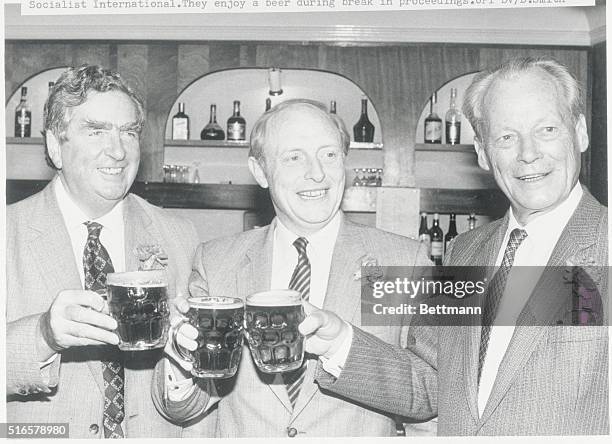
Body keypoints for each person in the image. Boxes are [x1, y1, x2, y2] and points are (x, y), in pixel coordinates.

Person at [299, 57, 609, 435]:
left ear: (579, 133)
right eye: (507, 137)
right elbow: (429, 380)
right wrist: (338, 342)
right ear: (482, 152)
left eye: (546, 129)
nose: (528, 153)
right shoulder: (466, 251)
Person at [152, 99, 433, 437]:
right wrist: (184, 361)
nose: (316, 172)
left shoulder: (405, 260)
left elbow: (433, 389)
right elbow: (183, 408)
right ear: (260, 172)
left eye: (329, 155)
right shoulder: (215, 262)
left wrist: (343, 344)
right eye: (294, 157)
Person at [6, 65, 199, 438]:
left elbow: (198, 400)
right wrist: (43, 335)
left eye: (128, 132)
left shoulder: (179, 236)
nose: (117, 150)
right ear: (54, 147)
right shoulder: (7, 233)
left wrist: (185, 365)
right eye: (96, 131)